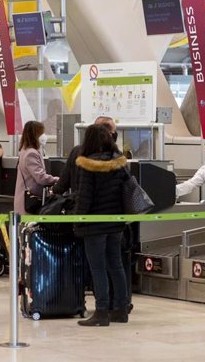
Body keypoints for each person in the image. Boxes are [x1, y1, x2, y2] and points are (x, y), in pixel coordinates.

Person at [74, 124, 130, 327]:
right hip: (116, 223)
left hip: (95, 224)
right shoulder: (120, 162)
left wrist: (77, 221)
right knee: (116, 265)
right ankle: (121, 310)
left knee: (97, 267)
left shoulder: (87, 164)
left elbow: (84, 197)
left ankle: (102, 312)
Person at [54, 116, 118, 195]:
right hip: (109, 206)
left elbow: (62, 184)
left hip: (79, 203)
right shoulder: (115, 157)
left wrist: (53, 191)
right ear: (109, 135)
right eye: (113, 132)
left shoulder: (77, 152)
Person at [14, 121, 59, 215]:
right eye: (42, 133)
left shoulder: (25, 150)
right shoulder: (31, 153)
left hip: (25, 199)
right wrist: (57, 179)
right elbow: (41, 178)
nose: (44, 136)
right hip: (29, 202)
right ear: (35, 135)